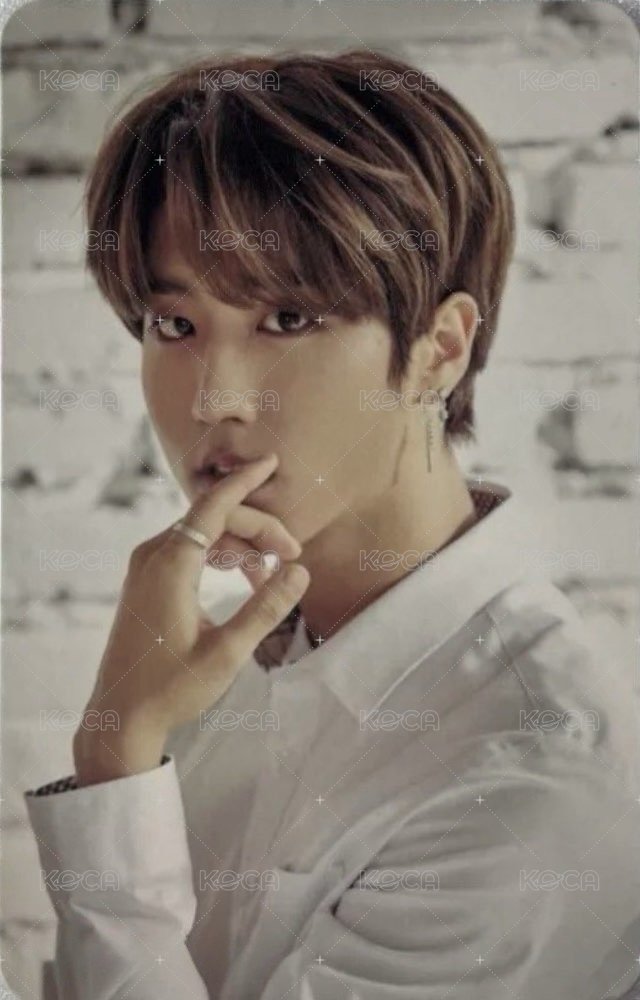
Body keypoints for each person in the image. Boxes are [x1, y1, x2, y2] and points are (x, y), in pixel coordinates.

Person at [24, 49, 640, 1000]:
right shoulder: (214, 662)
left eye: (288, 319)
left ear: (439, 349)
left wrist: (113, 765)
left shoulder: (533, 767)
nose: (214, 400)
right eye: (175, 326)